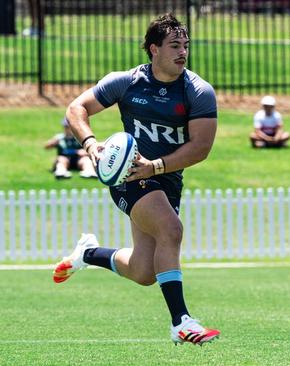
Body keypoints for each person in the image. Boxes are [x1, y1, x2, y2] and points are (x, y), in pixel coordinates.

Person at [51, 14, 220, 345]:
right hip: (127, 175)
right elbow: (76, 109)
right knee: (171, 230)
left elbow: (201, 148)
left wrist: (156, 166)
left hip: (164, 178)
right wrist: (90, 145)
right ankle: (181, 322)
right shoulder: (126, 82)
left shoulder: (198, 92)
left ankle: (88, 254)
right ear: (154, 49)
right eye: (175, 45)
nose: (183, 52)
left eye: (185, 45)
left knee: (144, 271)